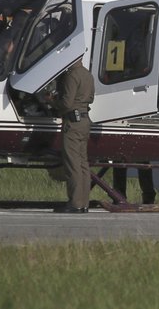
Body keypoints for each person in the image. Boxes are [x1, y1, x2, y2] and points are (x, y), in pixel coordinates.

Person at [51, 60, 94, 213]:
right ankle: (83, 203)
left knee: (73, 163)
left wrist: (53, 101)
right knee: (83, 164)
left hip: (72, 123)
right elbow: (91, 99)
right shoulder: (87, 74)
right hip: (84, 121)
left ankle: (75, 203)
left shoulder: (72, 75)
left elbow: (67, 103)